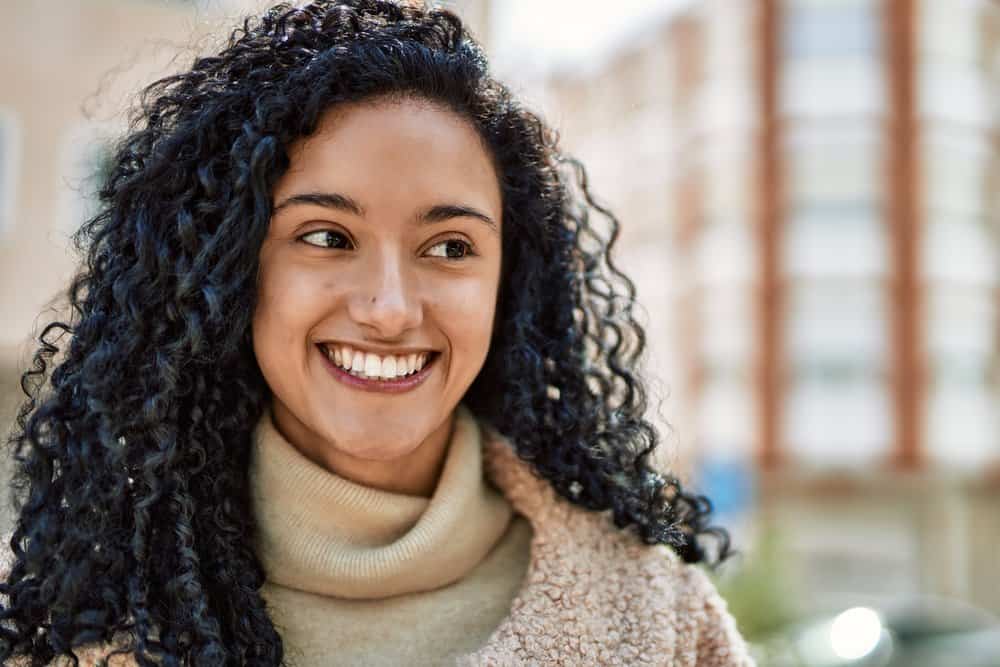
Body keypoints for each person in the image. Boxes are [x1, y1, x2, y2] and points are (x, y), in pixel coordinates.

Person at [0, 1, 756, 664]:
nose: (391, 309)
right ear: (233, 268)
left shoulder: (659, 623)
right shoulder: (87, 632)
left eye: (450, 247)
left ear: (510, 283)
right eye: (327, 236)